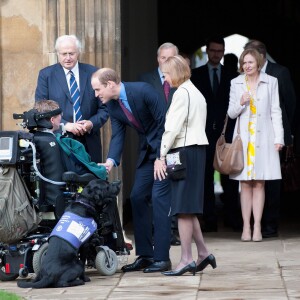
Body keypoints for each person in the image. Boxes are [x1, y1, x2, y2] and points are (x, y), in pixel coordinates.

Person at [91, 68, 172, 273]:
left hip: (165, 150)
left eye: (97, 89)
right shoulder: (112, 105)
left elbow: (165, 123)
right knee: (137, 197)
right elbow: (118, 135)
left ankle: (162, 258)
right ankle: (145, 255)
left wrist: (161, 157)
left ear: (110, 84)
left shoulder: (143, 90)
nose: (96, 94)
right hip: (147, 153)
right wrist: (110, 161)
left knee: (159, 199)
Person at [155, 55, 216, 276]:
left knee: (181, 209)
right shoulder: (196, 91)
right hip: (196, 151)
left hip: (184, 152)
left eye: (167, 74)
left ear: (176, 73)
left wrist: (160, 155)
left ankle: (186, 260)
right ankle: (202, 253)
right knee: (187, 207)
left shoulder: (181, 93)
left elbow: (171, 129)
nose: (165, 79)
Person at [227, 48, 284, 242]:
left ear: (258, 63)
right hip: (244, 140)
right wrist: (241, 102)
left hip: (264, 138)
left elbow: (275, 111)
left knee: (260, 182)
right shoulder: (235, 83)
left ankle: (258, 226)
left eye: (250, 62)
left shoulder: (271, 82)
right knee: (245, 183)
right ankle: (246, 227)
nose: (247, 66)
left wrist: (279, 138)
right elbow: (231, 113)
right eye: (244, 63)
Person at [244, 40, 297, 238]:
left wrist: (283, 133)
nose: (247, 63)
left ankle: (270, 225)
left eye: (250, 58)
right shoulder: (244, 74)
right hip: (251, 136)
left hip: (273, 135)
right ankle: (252, 223)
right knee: (252, 179)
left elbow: (289, 104)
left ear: (261, 56)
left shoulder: (279, 72)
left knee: (272, 181)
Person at [191, 36, 240, 232]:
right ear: (207, 50)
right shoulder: (196, 74)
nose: (216, 54)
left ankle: (231, 217)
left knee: (230, 177)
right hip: (202, 133)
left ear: (223, 51)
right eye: (213, 50)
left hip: (226, 133)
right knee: (205, 179)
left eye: (220, 51)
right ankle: (209, 220)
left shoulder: (232, 75)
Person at [35, 35, 109, 163]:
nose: (68, 58)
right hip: (59, 140)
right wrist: (65, 125)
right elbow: (40, 108)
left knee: (92, 182)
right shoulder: (46, 75)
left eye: (71, 53)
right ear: (57, 53)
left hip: (89, 141)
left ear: (78, 53)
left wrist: (91, 123)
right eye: (64, 54)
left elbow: (105, 108)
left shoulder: (94, 73)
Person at [138, 42, 180, 246]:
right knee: (153, 188)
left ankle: (171, 230)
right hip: (152, 144)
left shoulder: (181, 82)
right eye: (163, 58)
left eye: (170, 58)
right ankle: (155, 230)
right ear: (157, 59)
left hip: (176, 143)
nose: (166, 62)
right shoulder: (146, 80)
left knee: (172, 186)